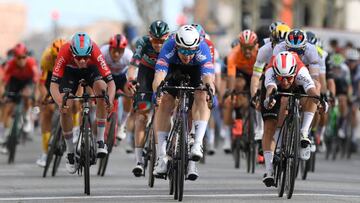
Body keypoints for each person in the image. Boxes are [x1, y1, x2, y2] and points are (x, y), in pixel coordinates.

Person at [152, 25, 215, 181]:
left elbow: (208, 78)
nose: (187, 55)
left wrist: (210, 90)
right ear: (177, 45)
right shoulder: (169, 46)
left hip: (196, 71)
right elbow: (159, 76)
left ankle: (197, 143)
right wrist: (157, 92)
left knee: (202, 93)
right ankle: (161, 157)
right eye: (184, 51)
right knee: (165, 99)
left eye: (191, 51)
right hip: (174, 69)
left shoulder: (203, 48)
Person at [50, 32, 116, 174]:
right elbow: (53, 86)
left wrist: (109, 99)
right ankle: (70, 152)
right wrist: (60, 102)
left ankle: (100, 140)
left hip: (91, 71)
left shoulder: (96, 51)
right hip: (70, 72)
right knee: (66, 103)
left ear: (90, 52)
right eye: (78, 57)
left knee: (102, 90)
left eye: (85, 57)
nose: (82, 61)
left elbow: (111, 82)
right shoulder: (64, 51)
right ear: (72, 51)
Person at [261, 51, 326, 187]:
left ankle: (303, 132)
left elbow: (311, 90)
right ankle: (269, 170)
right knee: (269, 126)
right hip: (274, 91)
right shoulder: (271, 71)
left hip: (298, 86)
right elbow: (270, 89)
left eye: (288, 78)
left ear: (294, 72)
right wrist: (270, 100)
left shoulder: (301, 70)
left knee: (313, 97)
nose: (284, 82)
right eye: (281, 78)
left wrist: (320, 101)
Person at [129, 20, 170, 177]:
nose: (158, 45)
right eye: (155, 41)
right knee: (141, 116)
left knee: (165, 111)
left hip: (166, 73)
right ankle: (139, 161)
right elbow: (134, 64)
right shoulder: (143, 42)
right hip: (146, 73)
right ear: (149, 37)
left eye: (162, 41)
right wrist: (131, 79)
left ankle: (163, 154)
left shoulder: (172, 43)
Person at [223, 29, 258, 153]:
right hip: (241, 73)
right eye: (244, 47)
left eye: (250, 47)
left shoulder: (260, 52)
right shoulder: (233, 54)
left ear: (255, 45)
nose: (248, 51)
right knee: (237, 88)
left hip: (256, 73)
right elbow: (231, 76)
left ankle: (255, 125)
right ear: (240, 45)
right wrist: (232, 92)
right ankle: (231, 130)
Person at [0, 43, 39, 148]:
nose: (21, 60)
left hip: (27, 81)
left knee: (27, 95)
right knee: (8, 107)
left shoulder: (31, 63)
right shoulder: (11, 64)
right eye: (18, 58)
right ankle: (2, 134)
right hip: (15, 82)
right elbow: (4, 82)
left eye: (23, 57)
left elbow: (36, 80)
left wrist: (35, 94)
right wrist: (4, 93)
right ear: (15, 57)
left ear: (26, 56)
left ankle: (26, 117)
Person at [36, 39, 67, 167]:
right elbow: (42, 83)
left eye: (59, 57)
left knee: (74, 104)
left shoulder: (71, 58)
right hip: (51, 78)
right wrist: (44, 96)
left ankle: (74, 134)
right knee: (46, 111)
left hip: (67, 77)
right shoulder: (46, 59)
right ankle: (45, 152)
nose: (56, 60)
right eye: (55, 57)